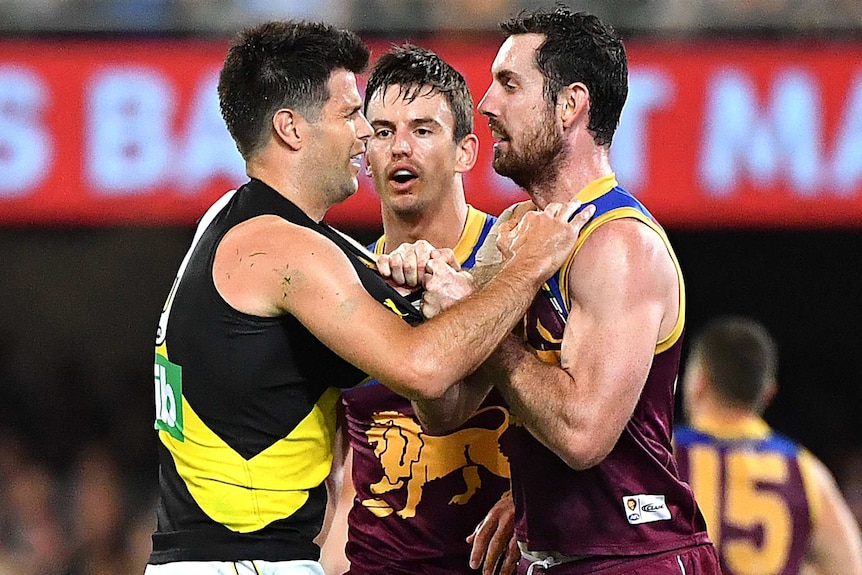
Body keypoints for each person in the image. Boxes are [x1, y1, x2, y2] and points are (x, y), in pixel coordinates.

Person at [146, 20, 594, 575]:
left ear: (464, 151)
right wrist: (524, 269)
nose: (368, 136)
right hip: (248, 561)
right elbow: (426, 371)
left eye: (422, 129)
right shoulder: (286, 251)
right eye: (354, 117)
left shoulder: (243, 220)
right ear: (290, 128)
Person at [403, 7, 722, 574]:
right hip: (553, 557)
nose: (486, 105)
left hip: (636, 557)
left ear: (570, 104)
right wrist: (438, 315)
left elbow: (581, 433)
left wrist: (483, 323)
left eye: (509, 84)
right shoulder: (512, 232)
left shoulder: (618, 245)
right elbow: (443, 409)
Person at [318, 44, 518, 575]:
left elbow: (604, 403)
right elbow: (337, 470)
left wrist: (541, 499)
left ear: (466, 152)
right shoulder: (340, 282)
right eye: (382, 132)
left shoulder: (519, 261)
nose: (400, 147)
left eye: (423, 130)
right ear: (365, 152)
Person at [674, 316, 862, 575]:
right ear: (768, 393)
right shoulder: (805, 469)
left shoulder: (661, 455)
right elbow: (850, 566)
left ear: (698, 382)